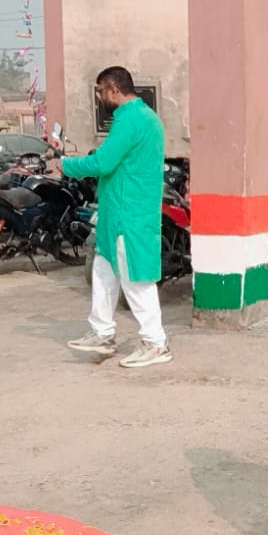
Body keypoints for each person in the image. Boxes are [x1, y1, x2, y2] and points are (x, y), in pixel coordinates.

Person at [60, 66, 171, 368]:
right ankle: (102, 332)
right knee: (103, 271)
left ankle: (155, 343)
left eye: (100, 91)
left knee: (136, 280)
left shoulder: (131, 120)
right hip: (118, 212)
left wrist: (65, 165)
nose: (99, 98)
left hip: (129, 214)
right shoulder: (140, 117)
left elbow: (103, 162)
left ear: (113, 89)